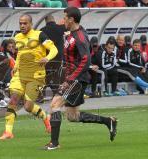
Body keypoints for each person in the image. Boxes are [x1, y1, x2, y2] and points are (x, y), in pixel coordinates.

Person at [44, 7, 118, 150]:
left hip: (76, 79)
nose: (63, 20)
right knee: (72, 116)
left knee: (54, 105)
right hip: (75, 77)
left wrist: (70, 78)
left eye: (65, 17)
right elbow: (80, 56)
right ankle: (108, 121)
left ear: (71, 19)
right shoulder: (73, 33)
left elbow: (85, 59)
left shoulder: (80, 37)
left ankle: (54, 143)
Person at [0, 14, 58, 140]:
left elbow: (54, 49)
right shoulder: (17, 37)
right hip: (20, 73)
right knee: (13, 99)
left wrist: (47, 58)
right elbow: (20, 54)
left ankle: (45, 118)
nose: (22, 26)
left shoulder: (40, 35)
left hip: (36, 75)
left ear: (31, 24)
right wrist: (15, 66)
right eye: (20, 23)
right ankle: (8, 132)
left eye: (25, 23)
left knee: (28, 106)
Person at [40, 14, 66, 98]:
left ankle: (42, 93)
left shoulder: (42, 30)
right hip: (59, 56)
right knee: (56, 73)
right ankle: (56, 92)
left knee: (46, 74)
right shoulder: (61, 28)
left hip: (48, 56)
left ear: (46, 21)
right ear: (53, 19)